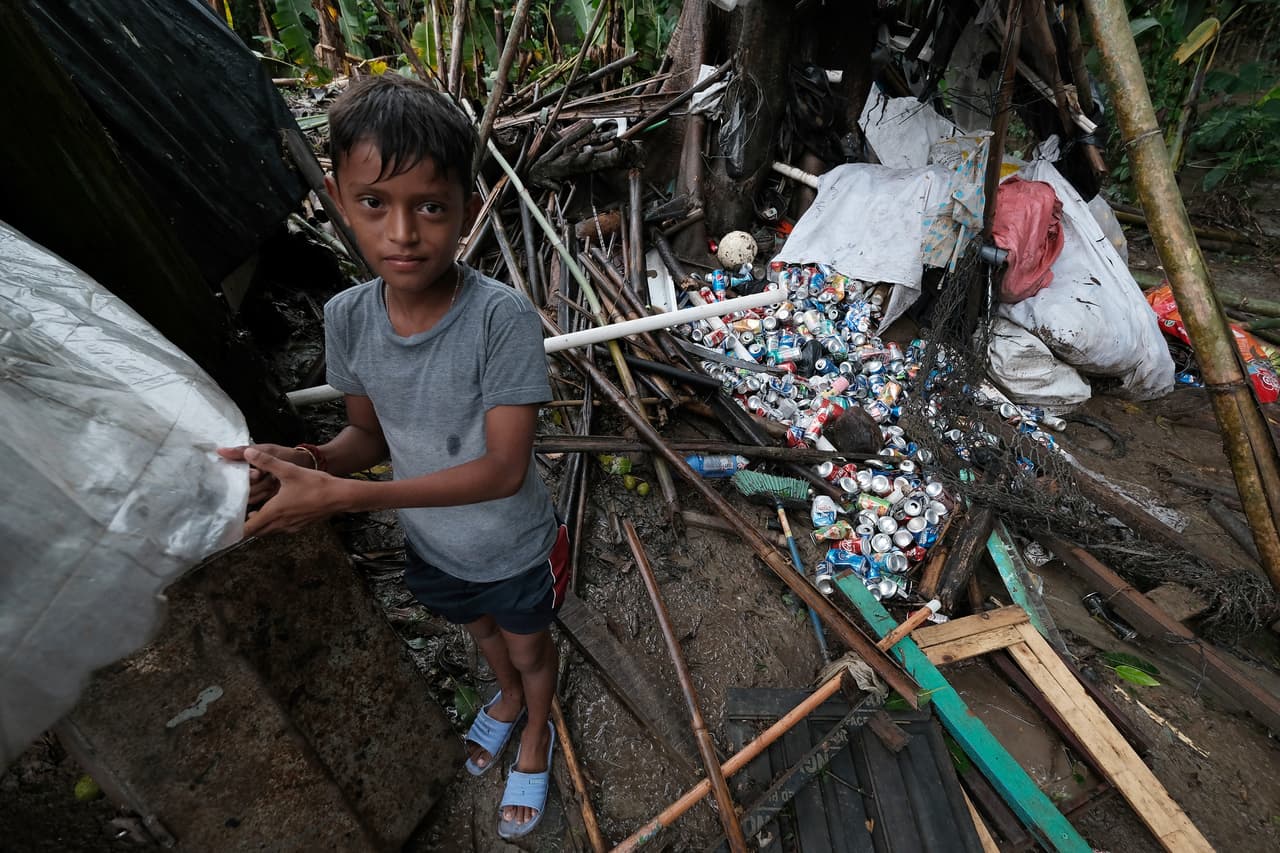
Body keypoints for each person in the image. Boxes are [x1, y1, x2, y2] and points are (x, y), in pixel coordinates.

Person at [217, 75, 566, 840]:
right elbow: (367, 439)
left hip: (512, 547)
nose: (402, 232)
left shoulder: (500, 320)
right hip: (433, 543)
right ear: (340, 201)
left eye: (429, 207)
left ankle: (535, 724)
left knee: (530, 644)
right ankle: (503, 697)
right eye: (375, 203)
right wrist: (307, 457)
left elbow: (504, 470)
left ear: (467, 215)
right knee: (478, 633)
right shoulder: (348, 317)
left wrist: (344, 498)